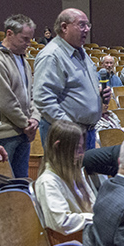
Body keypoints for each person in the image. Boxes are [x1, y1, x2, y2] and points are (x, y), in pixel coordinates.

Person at [33, 8, 110, 150]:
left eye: (88, 25)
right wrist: (69, 128)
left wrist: (98, 94)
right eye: (81, 25)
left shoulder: (81, 52)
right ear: (64, 27)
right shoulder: (52, 55)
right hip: (65, 135)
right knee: (66, 167)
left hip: (87, 132)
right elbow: (43, 99)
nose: (87, 29)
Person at [0, 14, 40, 178]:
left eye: (30, 39)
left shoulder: (23, 60)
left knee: (21, 181)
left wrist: (35, 119)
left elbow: (31, 94)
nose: (28, 43)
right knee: (6, 184)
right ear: (9, 34)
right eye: (24, 39)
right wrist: (26, 124)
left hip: (23, 132)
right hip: (4, 135)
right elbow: (5, 101)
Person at [33, 120, 95, 236]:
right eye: (77, 148)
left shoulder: (75, 173)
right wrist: (94, 218)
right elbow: (61, 223)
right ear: (58, 146)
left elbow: (93, 205)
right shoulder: (48, 182)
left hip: (89, 233)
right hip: (74, 240)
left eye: (82, 148)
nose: (81, 153)